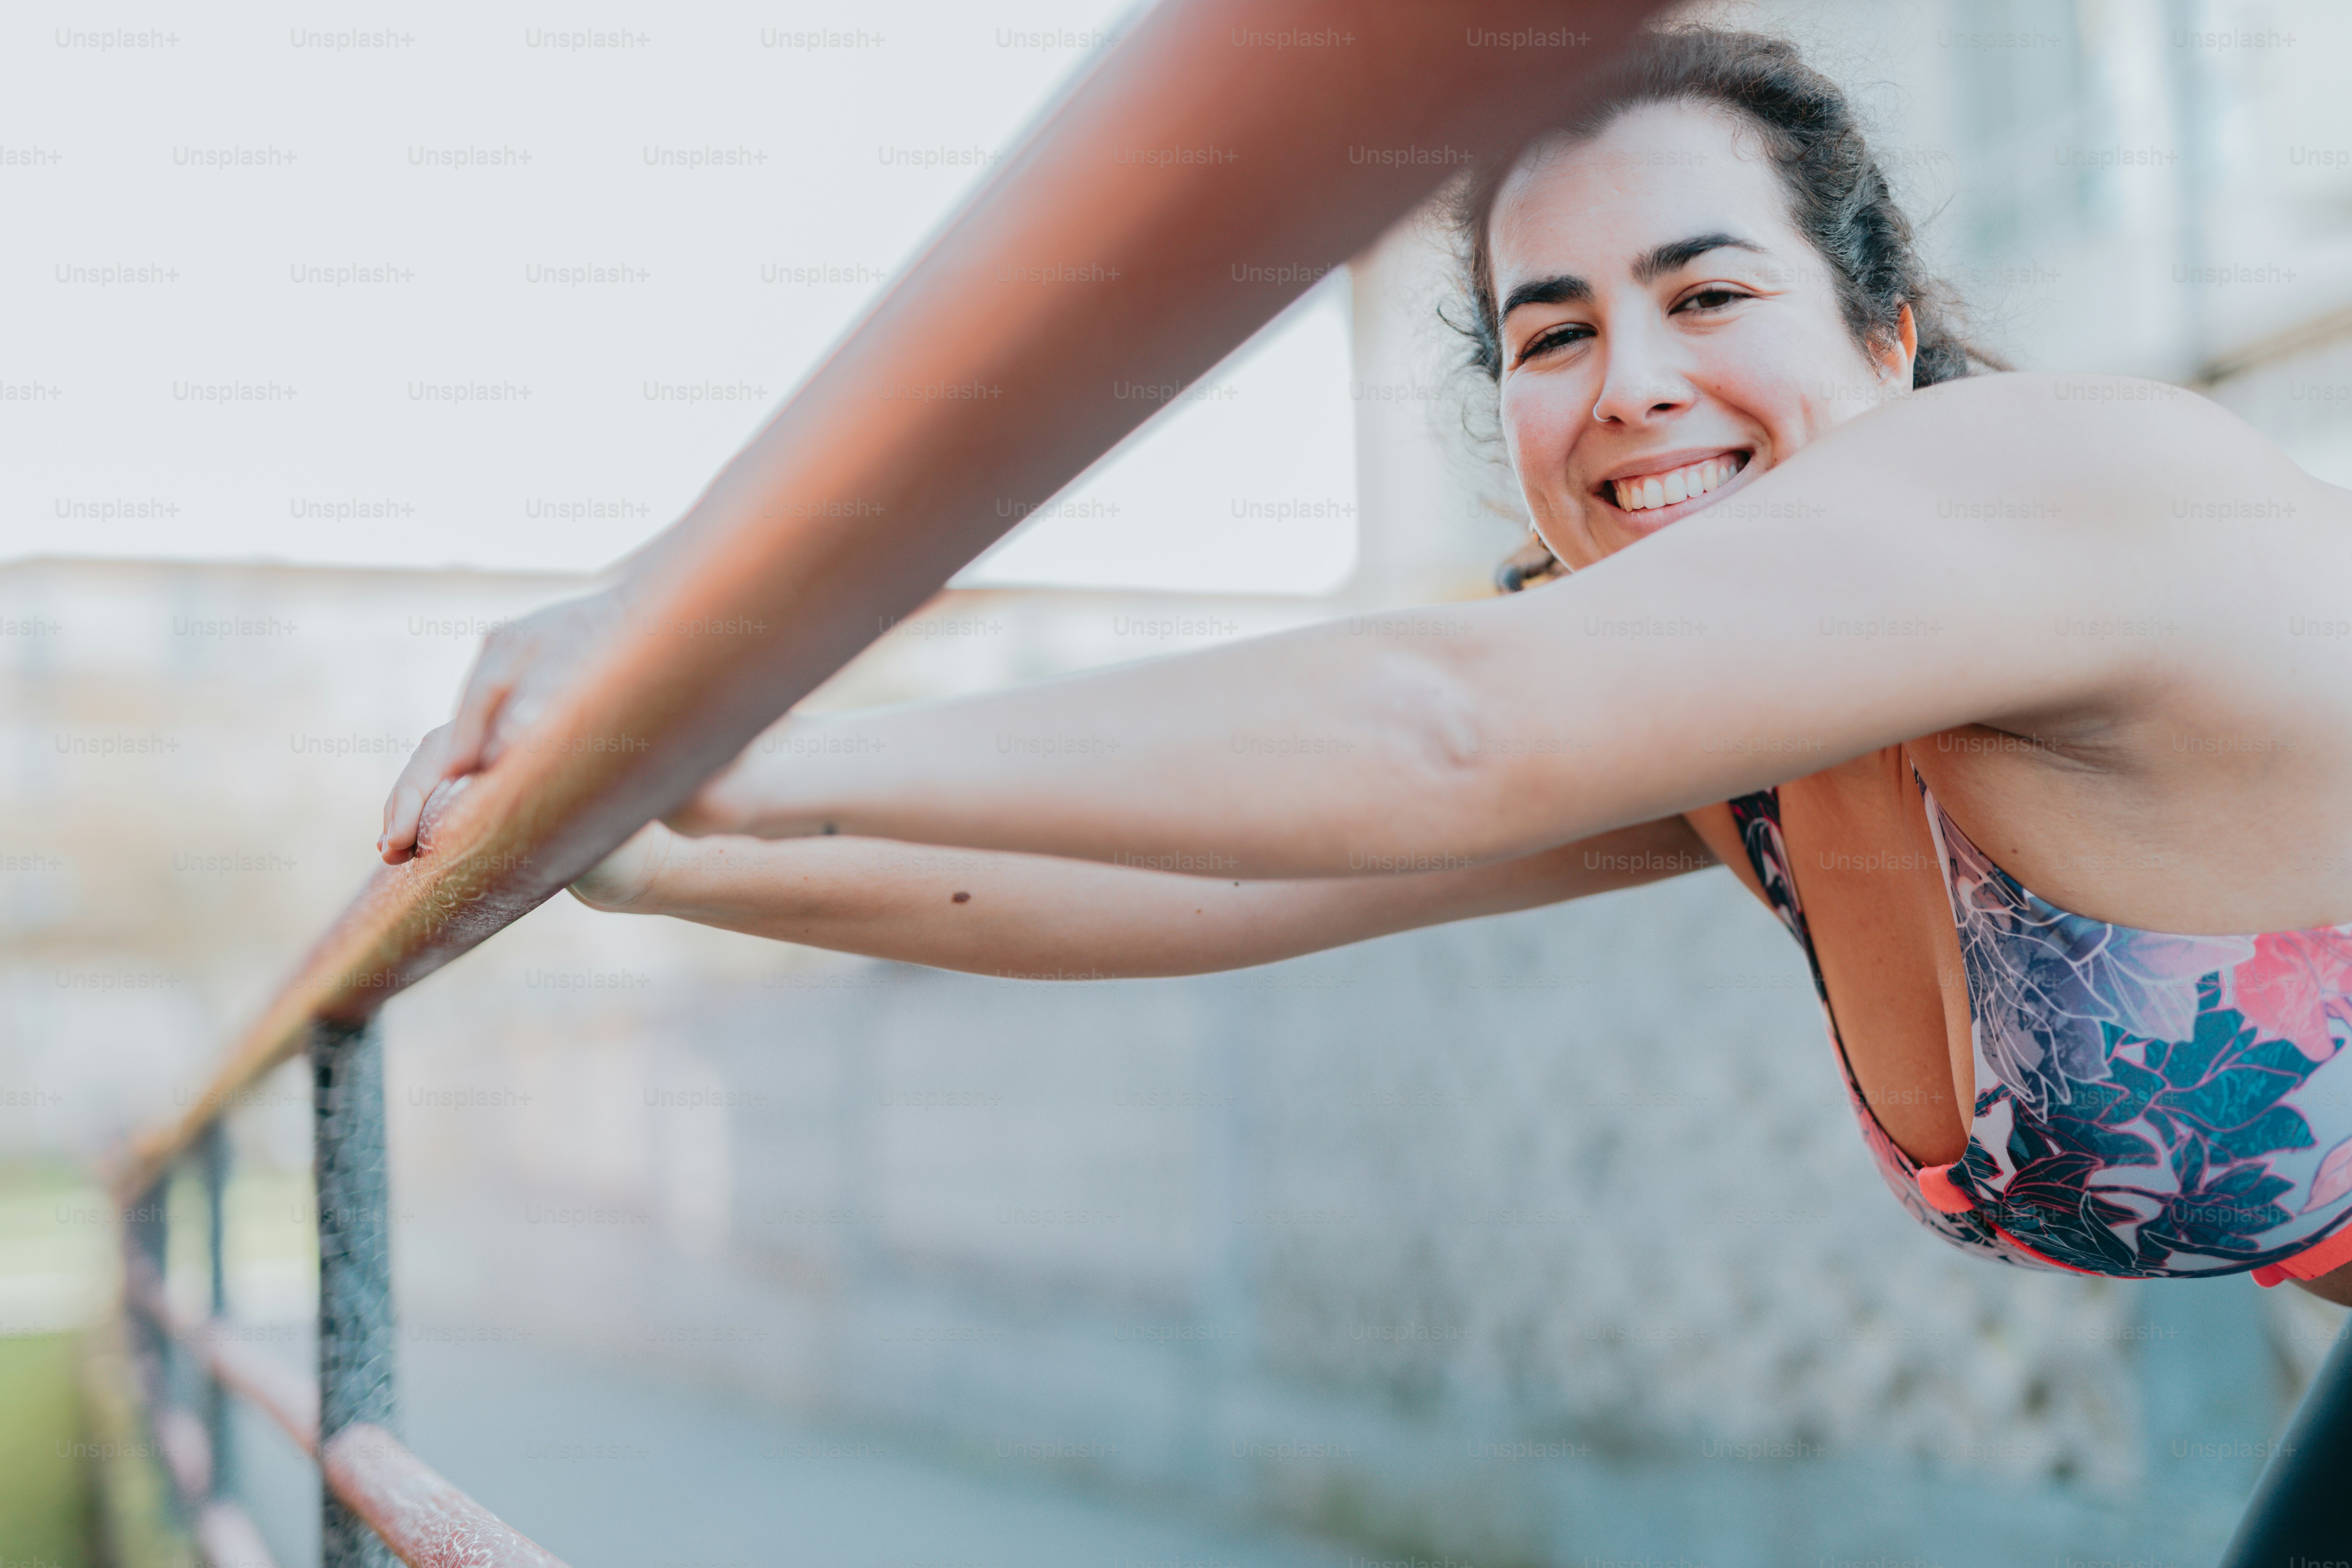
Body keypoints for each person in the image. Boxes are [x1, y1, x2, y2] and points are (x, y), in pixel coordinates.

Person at [382, 29, 2352, 1305]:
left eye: (1707, 293)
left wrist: (706, 727)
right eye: (1553, 334)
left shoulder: (2066, 484)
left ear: (1891, 334)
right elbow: (1219, 883)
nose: (1635, 384)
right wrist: (618, 849)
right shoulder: (1744, 741)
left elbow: (1440, 725)